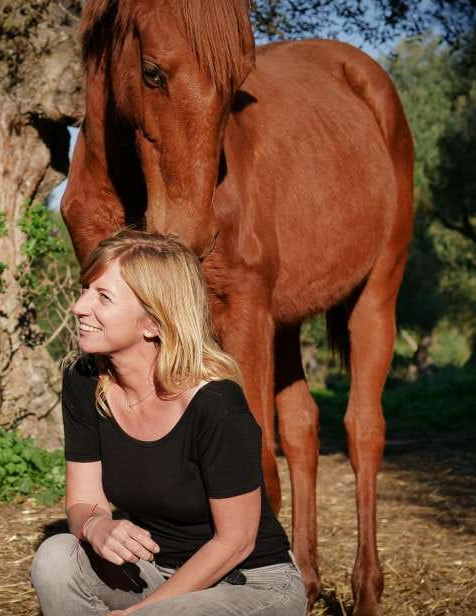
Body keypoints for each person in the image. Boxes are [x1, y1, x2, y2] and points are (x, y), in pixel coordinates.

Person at [30, 229, 308, 615]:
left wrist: (140, 614)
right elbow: (83, 500)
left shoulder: (215, 404)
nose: (79, 306)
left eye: (103, 297)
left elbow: (236, 542)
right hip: (153, 572)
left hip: (250, 582)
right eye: (86, 289)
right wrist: (96, 527)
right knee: (55, 558)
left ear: (153, 323)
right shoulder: (84, 381)